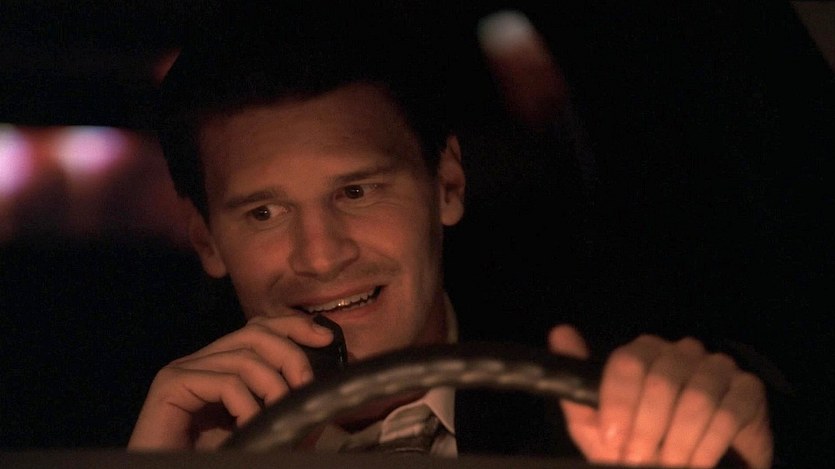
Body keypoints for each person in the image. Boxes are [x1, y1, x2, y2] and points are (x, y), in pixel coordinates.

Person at [128, 5, 773, 468]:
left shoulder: (606, 395)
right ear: (206, 240)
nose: (321, 256)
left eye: (358, 192)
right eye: (265, 213)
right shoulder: (158, 431)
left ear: (448, 186)